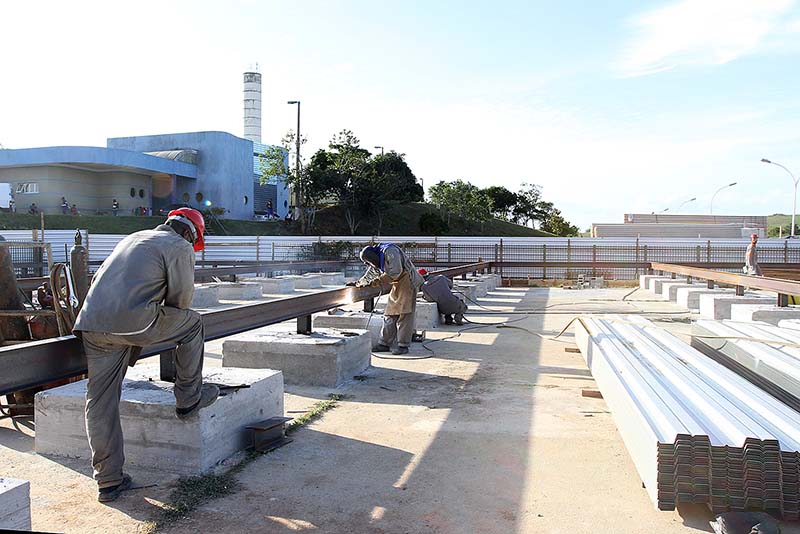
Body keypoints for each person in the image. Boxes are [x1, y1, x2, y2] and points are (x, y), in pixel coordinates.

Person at [72, 207, 219, 503]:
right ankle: (188, 398)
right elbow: (180, 303)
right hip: (133, 323)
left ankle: (108, 479)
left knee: (100, 400)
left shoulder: (133, 237)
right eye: (194, 241)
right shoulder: (179, 245)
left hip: (91, 325)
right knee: (193, 323)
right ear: (189, 233)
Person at [352, 243, 424, 355]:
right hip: (397, 284)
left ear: (373, 257)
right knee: (390, 314)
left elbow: (396, 272)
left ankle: (403, 345)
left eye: (370, 262)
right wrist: (359, 283)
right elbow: (372, 272)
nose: (371, 264)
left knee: (404, 315)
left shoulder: (390, 251)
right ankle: (384, 343)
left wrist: (378, 281)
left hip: (408, 282)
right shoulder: (378, 256)